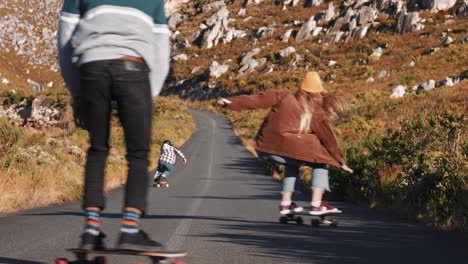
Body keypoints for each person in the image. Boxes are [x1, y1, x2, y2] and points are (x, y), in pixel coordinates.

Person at [57, 0, 171, 251]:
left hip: (91, 67)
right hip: (133, 67)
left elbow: (65, 41)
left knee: (98, 149)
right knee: (138, 154)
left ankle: (90, 230)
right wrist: (147, 100)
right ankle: (130, 230)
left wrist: (76, 92)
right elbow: (162, 51)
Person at [217, 71, 353, 216]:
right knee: (321, 161)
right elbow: (328, 138)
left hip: (267, 148)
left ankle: (286, 204)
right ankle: (316, 204)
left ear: (301, 87)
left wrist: (230, 102)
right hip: (292, 148)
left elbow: (254, 100)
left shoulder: (282, 96)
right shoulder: (317, 110)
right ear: (319, 90)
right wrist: (339, 160)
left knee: (291, 163)